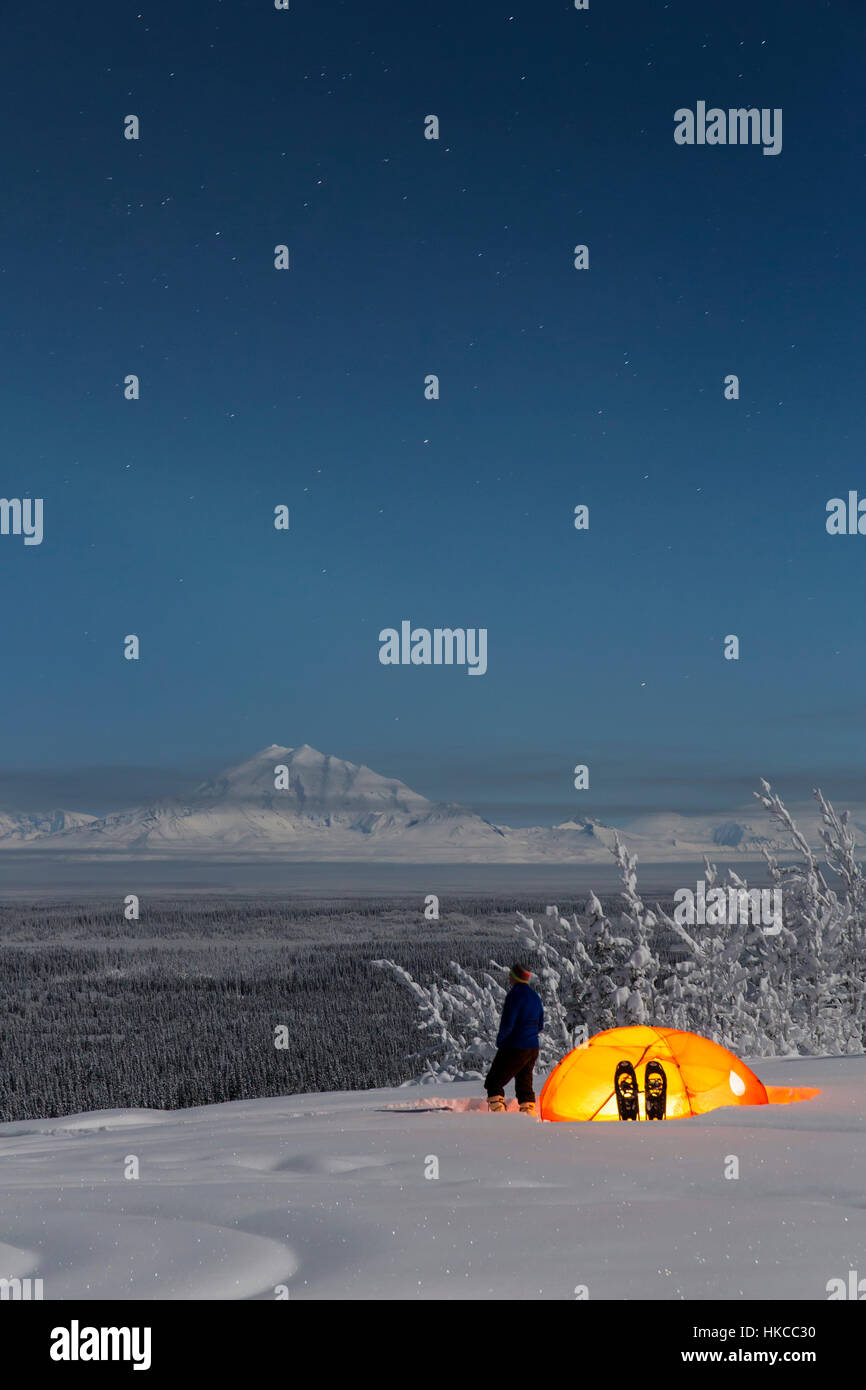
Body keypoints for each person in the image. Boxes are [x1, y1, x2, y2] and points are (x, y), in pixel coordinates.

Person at [485, 963, 544, 1116]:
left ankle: (500, 1114)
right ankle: (528, 1111)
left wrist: (501, 1041)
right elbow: (540, 1024)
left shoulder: (514, 995)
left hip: (515, 1046)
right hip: (532, 1047)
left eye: (511, 974)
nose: (509, 977)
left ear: (516, 977)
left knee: (494, 1081)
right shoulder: (535, 997)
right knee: (524, 1082)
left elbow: (507, 1023)